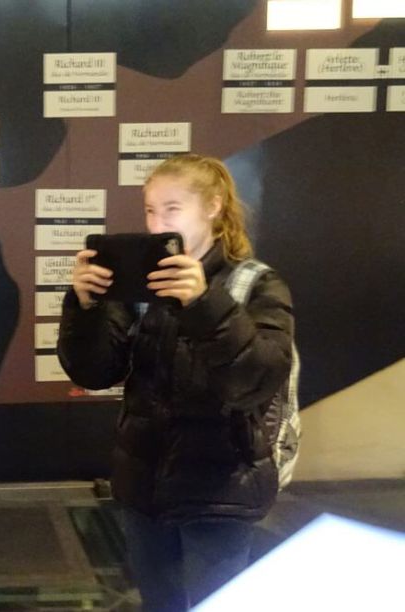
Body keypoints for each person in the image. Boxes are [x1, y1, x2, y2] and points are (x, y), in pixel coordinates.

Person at [58, 153, 293, 611]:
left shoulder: (256, 285)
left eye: (172, 209)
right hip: (144, 487)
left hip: (221, 491)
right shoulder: (143, 287)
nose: (157, 223)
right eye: (150, 210)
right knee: (160, 604)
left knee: (214, 603)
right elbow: (95, 372)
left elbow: (256, 380)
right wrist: (85, 308)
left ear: (212, 207)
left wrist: (204, 304)